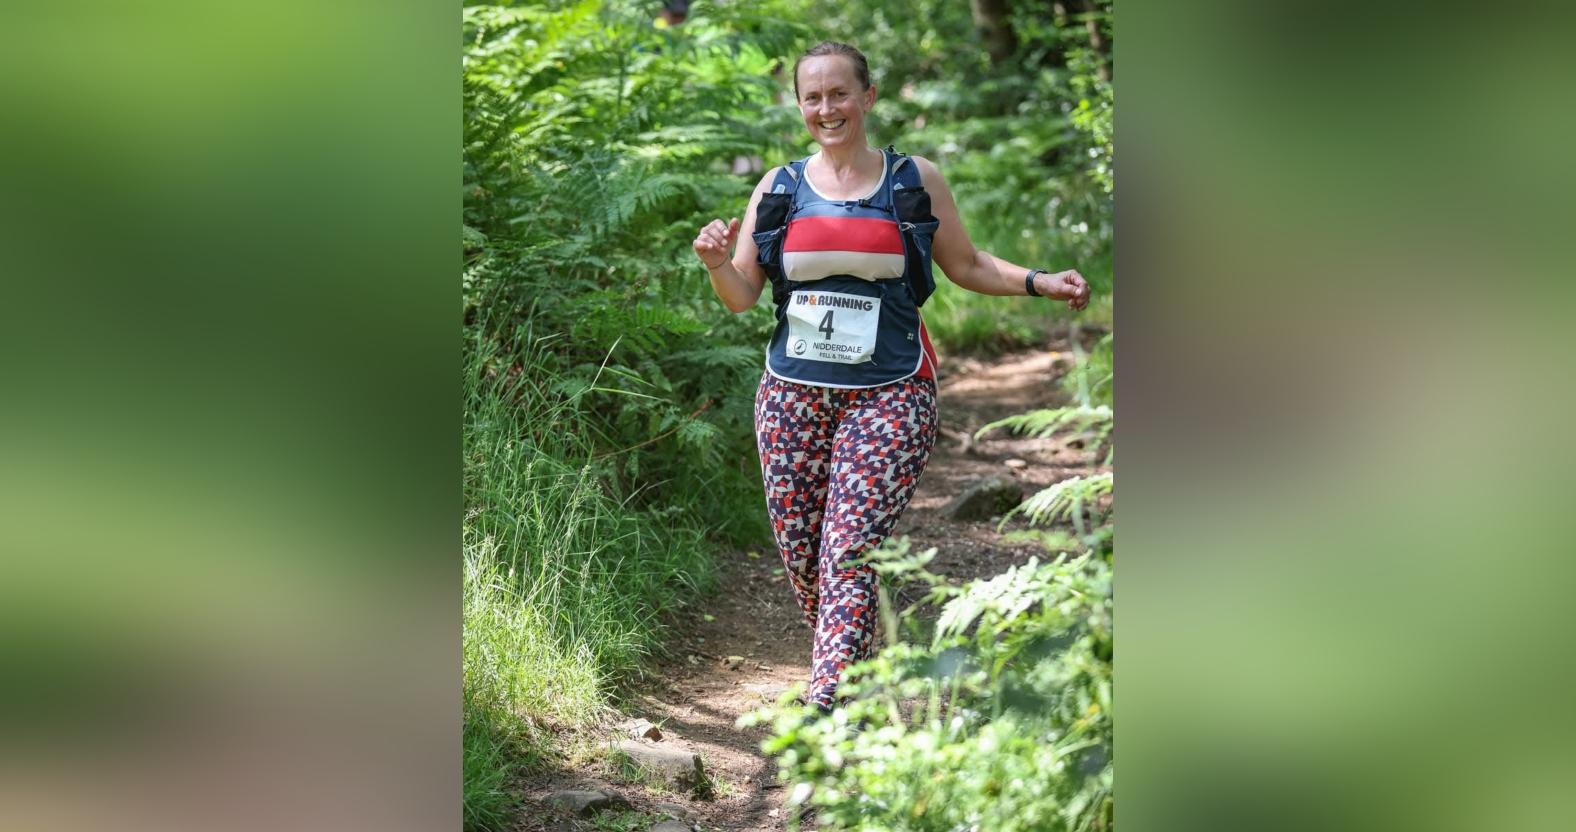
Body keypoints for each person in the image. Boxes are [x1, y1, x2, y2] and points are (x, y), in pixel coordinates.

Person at [691, 41, 1089, 713]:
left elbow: (965, 264)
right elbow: (741, 295)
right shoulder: (779, 188)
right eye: (813, 97)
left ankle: (830, 700)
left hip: (892, 392)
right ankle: (860, 664)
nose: (827, 108)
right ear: (800, 105)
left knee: (849, 549)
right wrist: (713, 263)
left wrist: (1037, 282)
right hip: (791, 395)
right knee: (803, 551)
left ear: (868, 97)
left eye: (839, 93)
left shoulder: (912, 180)